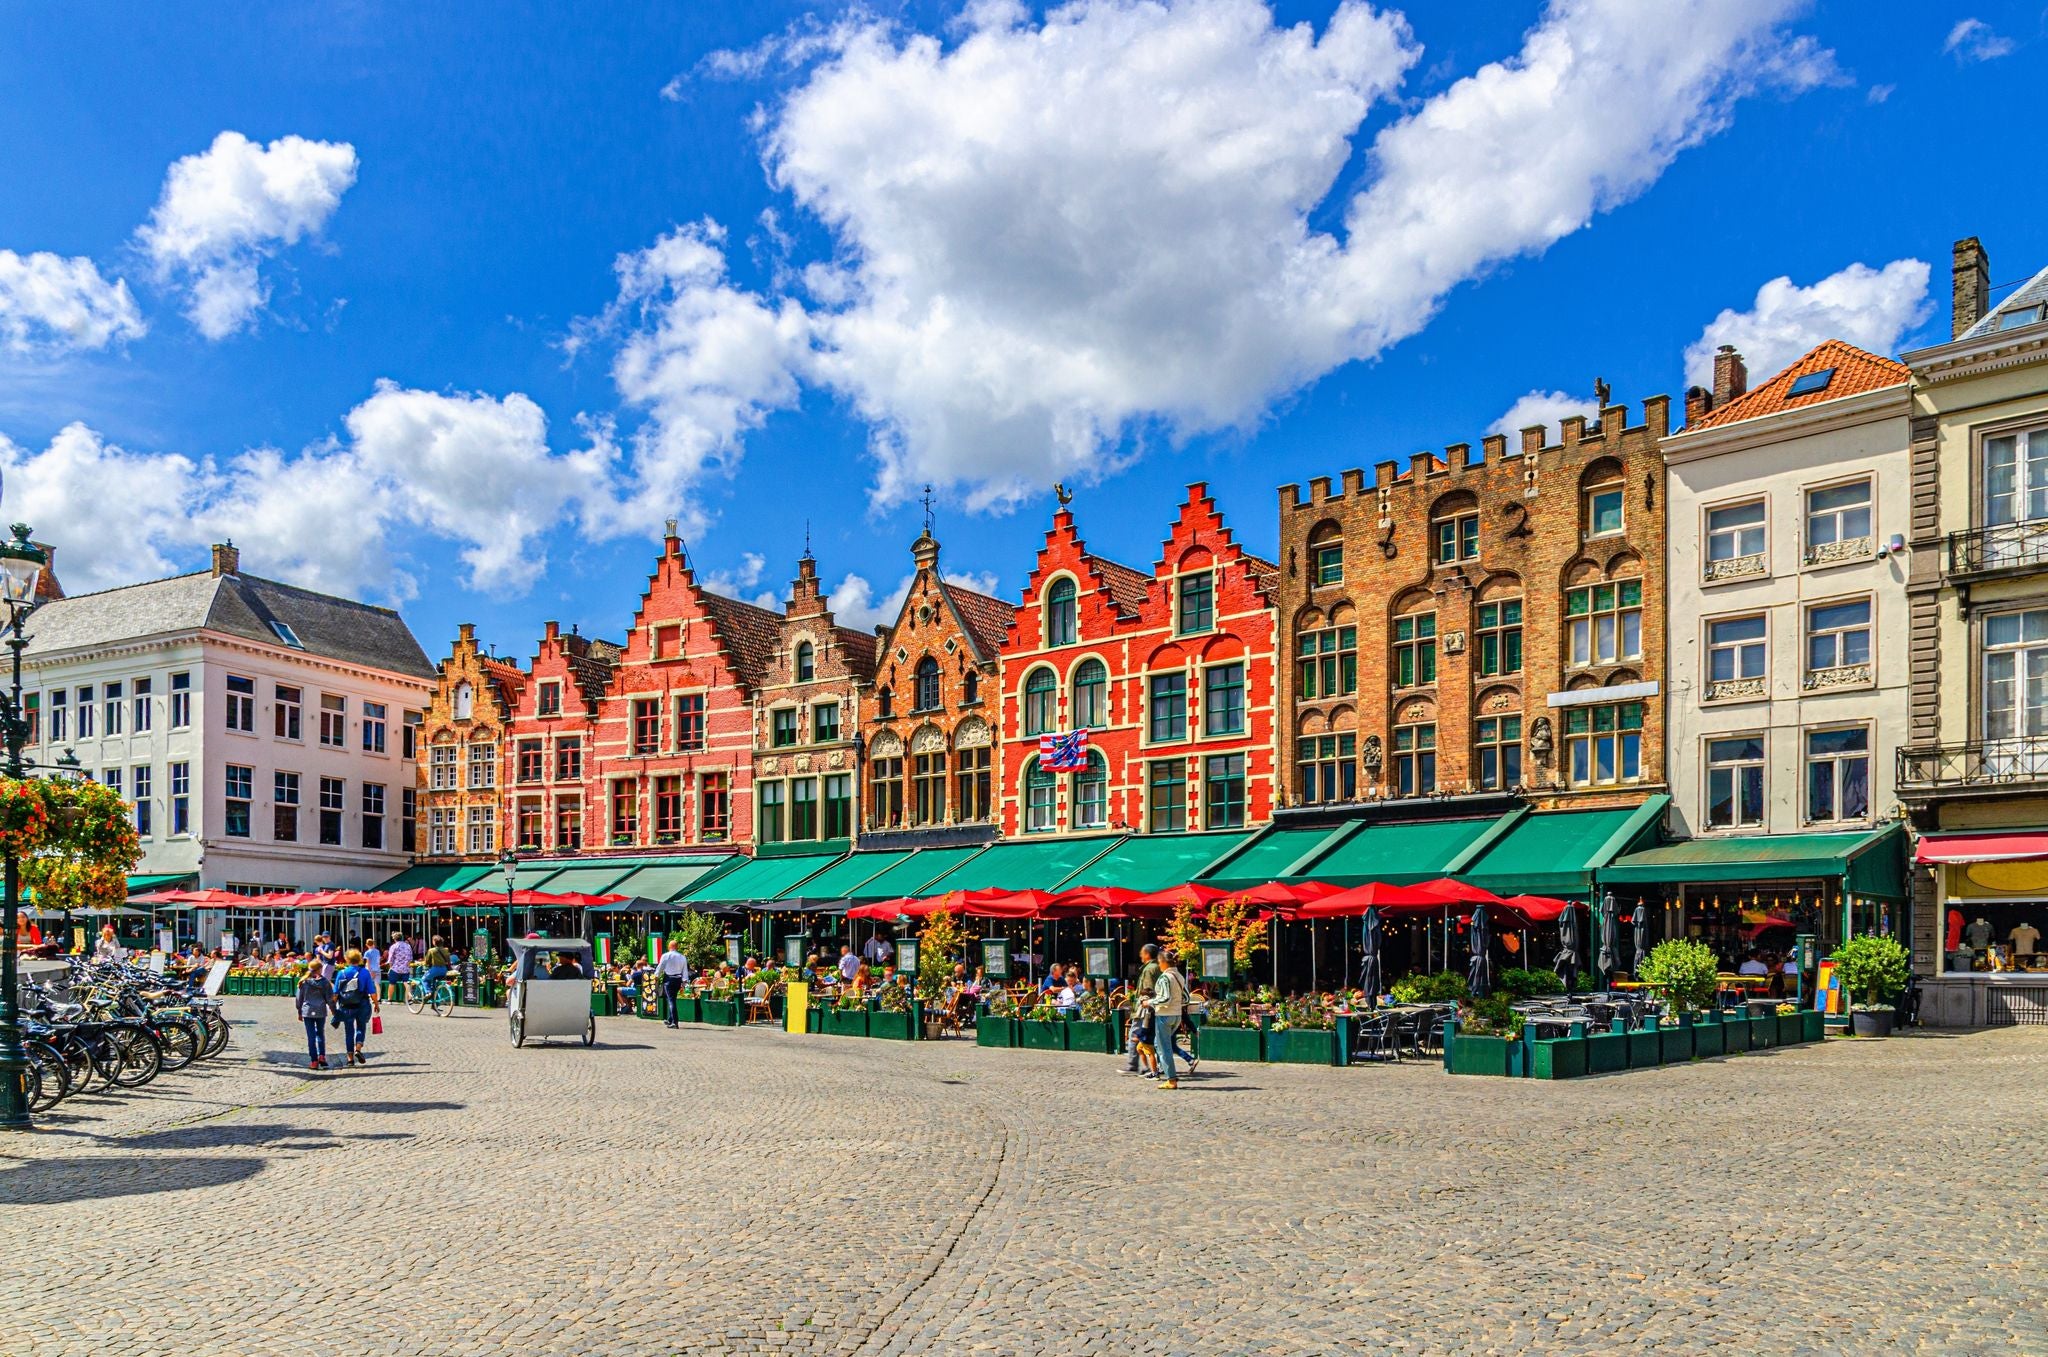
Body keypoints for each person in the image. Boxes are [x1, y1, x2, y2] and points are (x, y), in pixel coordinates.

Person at [1151, 949, 1192, 1090]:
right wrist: (1176, 1005)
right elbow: (1186, 998)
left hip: (1164, 1016)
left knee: (1164, 1049)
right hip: (1177, 1016)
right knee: (1160, 1044)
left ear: (1163, 962)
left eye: (1158, 962)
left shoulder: (1164, 977)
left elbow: (1165, 998)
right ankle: (1168, 1072)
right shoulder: (1179, 976)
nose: (1158, 965)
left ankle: (1171, 1079)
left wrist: (1149, 1002)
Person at [331, 949, 376, 1066]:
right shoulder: (365, 972)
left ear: (347, 959)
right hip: (362, 1004)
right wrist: (376, 1003)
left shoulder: (341, 973)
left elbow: (335, 993)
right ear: (359, 959)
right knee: (361, 1027)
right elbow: (372, 990)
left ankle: (350, 1058)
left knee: (349, 1031)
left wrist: (333, 1008)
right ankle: (358, 1049)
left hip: (346, 1006)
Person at [1125, 945, 1161, 1074]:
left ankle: (1132, 1064)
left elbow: (1147, 991)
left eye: (1141, 953)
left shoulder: (1148, 970)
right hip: (1155, 1008)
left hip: (1144, 1009)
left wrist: (1143, 1004)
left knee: (1134, 1034)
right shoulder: (1158, 967)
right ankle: (1151, 1066)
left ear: (1147, 954)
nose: (1140, 955)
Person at [296, 960, 335, 1070]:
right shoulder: (325, 982)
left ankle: (314, 1061)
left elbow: (299, 998)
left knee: (311, 1036)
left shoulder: (304, 982)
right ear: (320, 969)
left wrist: (299, 1011)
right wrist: (333, 1010)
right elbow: (329, 999)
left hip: (307, 1011)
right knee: (320, 1033)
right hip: (320, 1010)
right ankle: (321, 1055)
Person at [655, 941, 690, 1026]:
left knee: (671, 1000)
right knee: (672, 999)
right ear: (677, 947)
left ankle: (675, 1021)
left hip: (669, 979)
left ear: (669, 946)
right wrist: (684, 982)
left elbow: (660, 967)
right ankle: (670, 1019)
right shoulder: (682, 957)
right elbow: (685, 970)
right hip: (678, 980)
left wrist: (656, 976)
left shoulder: (666, 956)